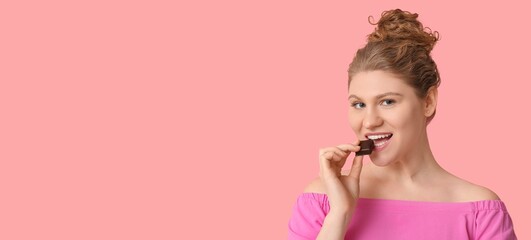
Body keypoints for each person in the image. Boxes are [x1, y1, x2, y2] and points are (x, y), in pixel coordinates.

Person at [287, 9, 518, 240]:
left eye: (387, 101)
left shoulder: (481, 212)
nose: (369, 121)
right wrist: (339, 215)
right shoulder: (322, 200)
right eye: (358, 105)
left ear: (428, 102)